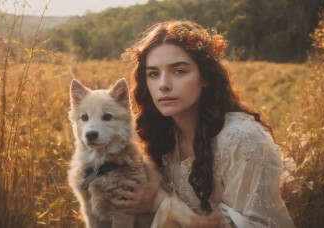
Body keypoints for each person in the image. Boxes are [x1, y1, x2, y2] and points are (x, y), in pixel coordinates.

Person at [110, 20, 296, 227]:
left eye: (179, 71)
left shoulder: (243, 138)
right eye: (154, 74)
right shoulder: (161, 135)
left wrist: (159, 202)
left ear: (205, 76)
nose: (163, 84)